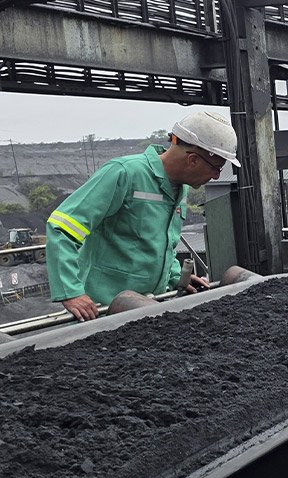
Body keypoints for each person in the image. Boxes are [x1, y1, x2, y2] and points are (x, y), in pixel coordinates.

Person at [46, 110, 238, 321]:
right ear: (192, 160)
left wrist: (177, 277)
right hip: (101, 312)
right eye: (216, 168)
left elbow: (158, 244)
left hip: (145, 310)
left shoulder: (179, 189)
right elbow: (62, 227)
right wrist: (71, 292)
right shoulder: (124, 173)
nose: (216, 176)